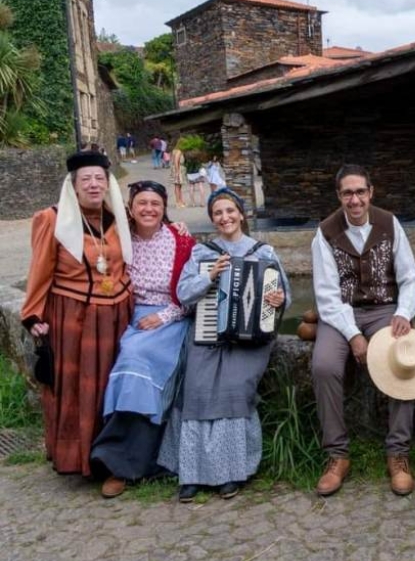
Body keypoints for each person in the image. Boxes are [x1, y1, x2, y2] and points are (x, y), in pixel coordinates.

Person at [158, 188, 289, 502]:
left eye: (230, 211)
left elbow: (282, 297)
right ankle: (191, 473)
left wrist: (277, 299)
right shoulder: (204, 254)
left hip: (250, 341)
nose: (225, 218)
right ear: (212, 219)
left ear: (241, 214)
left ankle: (231, 472)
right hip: (207, 335)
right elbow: (184, 293)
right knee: (197, 389)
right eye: (218, 213)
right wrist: (209, 277)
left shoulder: (264, 252)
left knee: (233, 389)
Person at [311, 164, 415, 497]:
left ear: (371, 192)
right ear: (339, 196)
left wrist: (404, 312)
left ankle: (398, 452)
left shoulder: (389, 223)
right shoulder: (326, 231)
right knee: (324, 365)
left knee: (403, 359)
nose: (355, 199)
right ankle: (337, 455)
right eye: (348, 193)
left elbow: (410, 278)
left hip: (386, 310)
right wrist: (352, 334)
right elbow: (326, 294)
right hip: (341, 313)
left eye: (360, 191)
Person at [20, 150, 133, 476]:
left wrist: (176, 226)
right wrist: (33, 315)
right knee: (77, 387)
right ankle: (78, 457)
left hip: (118, 315)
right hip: (74, 316)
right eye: (87, 179)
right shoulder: (53, 219)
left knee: (110, 385)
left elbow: (152, 224)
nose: (94, 185)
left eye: (100, 178)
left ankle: (112, 455)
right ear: (74, 185)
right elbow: (40, 270)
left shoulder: (119, 216)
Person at [89, 181, 195, 498]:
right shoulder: (119, 239)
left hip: (170, 319)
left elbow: (194, 291)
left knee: (134, 359)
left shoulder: (181, 240)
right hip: (131, 318)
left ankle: (119, 463)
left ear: (164, 209)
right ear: (131, 209)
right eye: (142, 203)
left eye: (155, 204)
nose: (149, 209)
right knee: (127, 368)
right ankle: (119, 462)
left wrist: (164, 317)